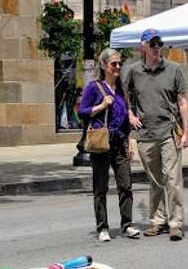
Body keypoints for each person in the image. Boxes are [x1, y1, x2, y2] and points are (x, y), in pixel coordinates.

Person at [122, 29, 188, 241]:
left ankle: (176, 223)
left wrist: (187, 132)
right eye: (152, 43)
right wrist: (130, 114)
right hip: (145, 134)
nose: (156, 47)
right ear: (142, 46)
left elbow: (182, 102)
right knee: (155, 181)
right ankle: (157, 220)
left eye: (159, 43)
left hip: (169, 132)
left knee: (172, 179)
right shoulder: (133, 71)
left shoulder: (174, 69)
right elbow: (124, 97)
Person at [78, 48, 138, 242]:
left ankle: (127, 224)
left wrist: (129, 143)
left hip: (120, 142)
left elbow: (124, 118)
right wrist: (102, 106)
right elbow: (83, 112)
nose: (118, 67)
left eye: (120, 63)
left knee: (126, 185)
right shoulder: (94, 87)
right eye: (114, 64)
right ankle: (102, 227)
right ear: (104, 66)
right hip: (102, 143)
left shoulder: (121, 89)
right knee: (101, 187)